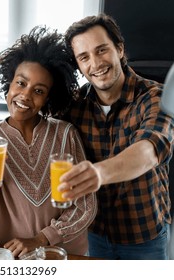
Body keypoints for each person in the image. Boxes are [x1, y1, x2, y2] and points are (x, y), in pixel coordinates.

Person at [0, 26, 97, 258]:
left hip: (63, 253)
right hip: (11, 254)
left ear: (48, 99)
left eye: (39, 90)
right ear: (8, 84)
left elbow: (85, 205)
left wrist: (42, 238)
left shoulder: (66, 134)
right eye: (21, 83)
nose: (25, 95)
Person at [61, 14, 174, 259]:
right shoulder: (74, 106)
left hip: (145, 235)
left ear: (119, 49)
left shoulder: (156, 97)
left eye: (102, 50)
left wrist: (99, 173)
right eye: (84, 57)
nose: (95, 63)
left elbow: (149, 150)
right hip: (94, 233)